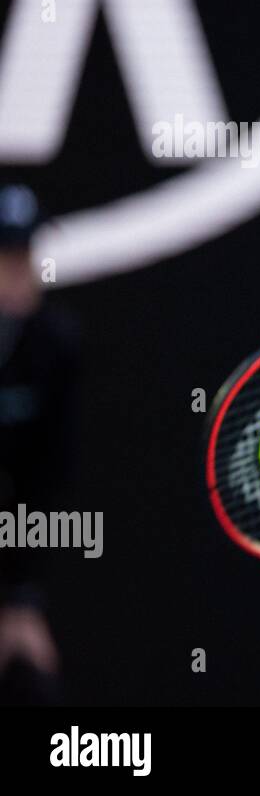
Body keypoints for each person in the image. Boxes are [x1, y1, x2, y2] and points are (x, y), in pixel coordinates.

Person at [0, 183, 81, 705]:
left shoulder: (56, 344)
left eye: (28, 254)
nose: (21, 269)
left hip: (14, 570)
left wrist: (19, 600)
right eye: (7, 256)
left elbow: (43, 480)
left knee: (36, 690)